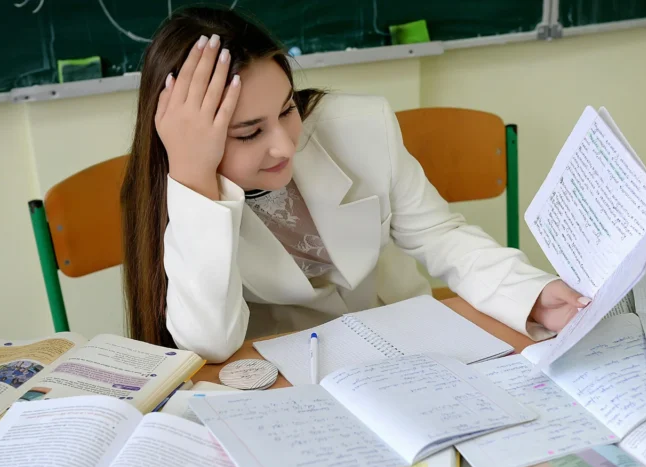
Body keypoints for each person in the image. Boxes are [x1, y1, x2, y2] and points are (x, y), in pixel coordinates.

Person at [121, 7, 588, 363]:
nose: (285, 144)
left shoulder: (362, 124)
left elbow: (441, 237)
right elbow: (210, 342)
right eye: (249, 133)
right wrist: (194, 179)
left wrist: (532, 295)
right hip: (291, 369)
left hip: (409, 345)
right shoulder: (183, 193)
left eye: (287, 109)